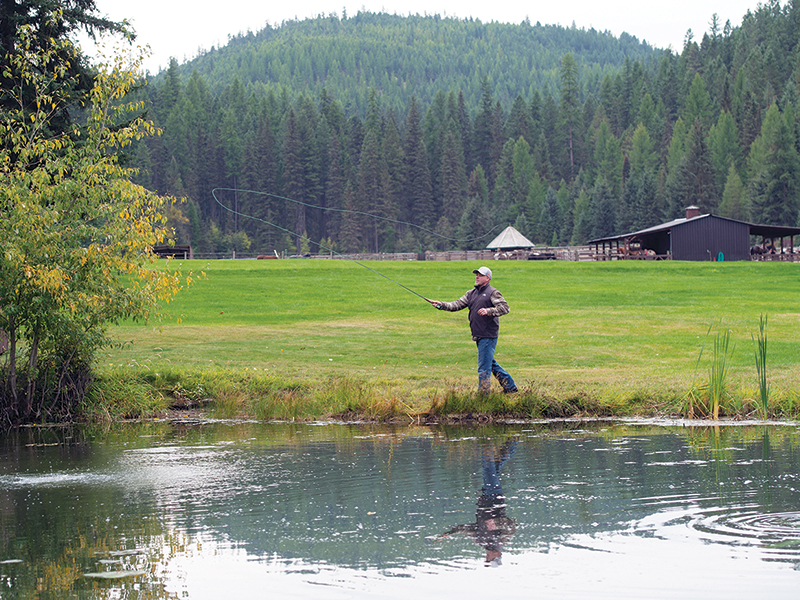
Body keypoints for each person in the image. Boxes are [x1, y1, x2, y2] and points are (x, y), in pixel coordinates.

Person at [425, 266, 518, 394]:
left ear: (488, 278)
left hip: (488, 334)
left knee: (484, 368)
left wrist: (489, 311)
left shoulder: (492, 292)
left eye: (480, 275)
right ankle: (510, 387)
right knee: (490, 363)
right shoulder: (471, 294)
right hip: (478, 334)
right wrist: (441, 305)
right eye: (476, 274)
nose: (477, 276)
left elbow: (505, 308)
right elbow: (456, 305)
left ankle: (483, 397)